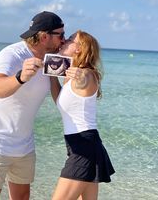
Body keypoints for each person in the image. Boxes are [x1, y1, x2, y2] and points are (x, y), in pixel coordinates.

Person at [0, 11, 66, 200]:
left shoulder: (52, 60)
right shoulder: (12, 54)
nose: (63, 40)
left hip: (24, 145)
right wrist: (20, 77)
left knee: (22, 197)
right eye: (61, 35)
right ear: (44, 36)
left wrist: (78, 79)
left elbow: (60, 102)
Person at [49, 30, 115, 200]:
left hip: (84, 147)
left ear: (79, 49)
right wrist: (51, 77)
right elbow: (60, 102)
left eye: (70, 39)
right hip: (79, 146)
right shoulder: (69, 77)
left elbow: (85, 79)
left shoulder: (87, 74)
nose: (64, 41)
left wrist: (80, 76)